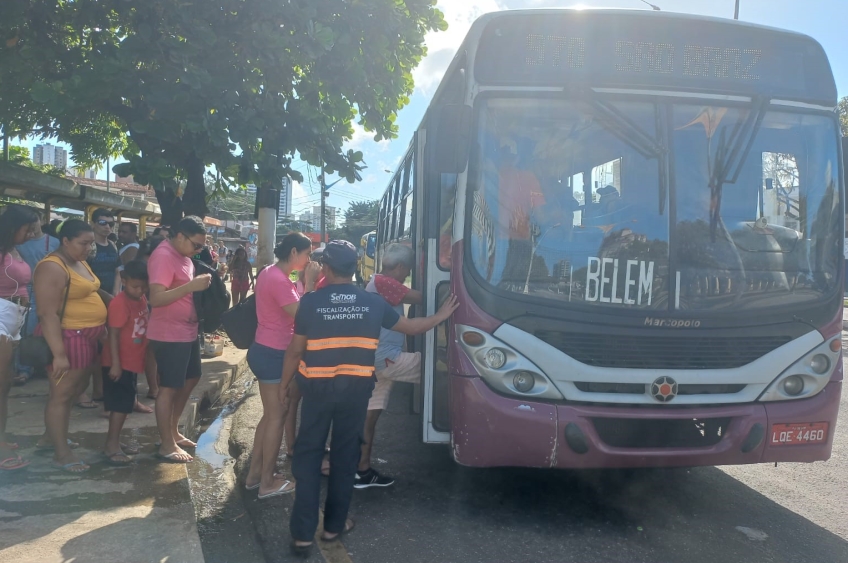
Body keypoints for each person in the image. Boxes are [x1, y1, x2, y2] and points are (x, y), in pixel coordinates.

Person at [282, 240, 459, 555]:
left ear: (326, 268)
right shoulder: (373, 303)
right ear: (354, 269)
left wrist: (284, 386)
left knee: (307, 460)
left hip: (317, 394)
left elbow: (296, 350)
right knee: (344, 459)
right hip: (354, 394)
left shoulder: (310, 302)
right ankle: (334, 526)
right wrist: (442, 314)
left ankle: (302, 536)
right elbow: (414, 328)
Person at [244, 233, 319, 499]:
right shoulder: (277, 279)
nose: (309, 259)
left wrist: (301, 283)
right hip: (274, 353)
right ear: (294, 253)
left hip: (266, 349)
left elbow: (291, 303)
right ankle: (266, 483)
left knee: (270, 416)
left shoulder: (270, 272)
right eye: (307, 254)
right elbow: (303, 316)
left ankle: (255, 475)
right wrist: (309, 283)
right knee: (277, 417)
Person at [34, 219, 111, 473]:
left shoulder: (78, 261)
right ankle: (61, 454)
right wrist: (59, 354)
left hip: (88, 336)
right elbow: (47, 314)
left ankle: (50, 438)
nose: (89, 247)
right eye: (84, 243)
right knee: (62, 394)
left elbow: (91, 291)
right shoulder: (52, 267)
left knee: (76, 389)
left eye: (91, 243)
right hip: (68, 337)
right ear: (65, 241)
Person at [147, 216, 211, 463]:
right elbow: (156, 299)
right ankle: (166, 445)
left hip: (186, 331)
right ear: (180, 236)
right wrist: (191, 287)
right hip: (169, 333)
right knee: (169, 387)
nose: (198, 250)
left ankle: (172, 431)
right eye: (196, 245)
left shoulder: (184, 256)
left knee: (192, 377)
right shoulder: (163, 256)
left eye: (201, 248)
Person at [357, 243, 422, 488]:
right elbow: (425, 297)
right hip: (386, 358)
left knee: (369, 418)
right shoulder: (385, 282)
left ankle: (361, 471)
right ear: (400, 267)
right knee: (440, 370)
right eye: (406, 273)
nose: (406, 278)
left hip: (375, 359)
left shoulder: (376, 281)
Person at [0, 204, 40, 471]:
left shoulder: (13, 249)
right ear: (15, 226)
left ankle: (1, 436)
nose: (31, 233)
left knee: (5, 386)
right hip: (2, 313)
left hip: (16, 315)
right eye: (28, 228)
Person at [101, 260, 149, 465]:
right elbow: (112, 334)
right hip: (119, 363)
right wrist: (116, 363)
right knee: (119, 406)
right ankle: (111, 445)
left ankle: (116, 441)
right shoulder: (119, 303)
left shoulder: (141, 298)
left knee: (125, 404)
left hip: (132, 361)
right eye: (135, 286)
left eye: (143, 287)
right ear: (124, 280)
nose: (139, 291)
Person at [13, 216, 59, 386]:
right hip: (29, 290)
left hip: (51, 289)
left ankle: (44, 365)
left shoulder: (54, 242)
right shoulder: (19, 241)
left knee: (50, 328)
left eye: (35, 220)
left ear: (41, 220)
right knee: (29, 330)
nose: (32, 225)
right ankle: (24, 368)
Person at [83, 208, 118, 408]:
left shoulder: (112, 246)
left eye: (111, 223)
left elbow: (117, 272)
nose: (107, 227)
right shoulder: (89, 247)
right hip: (91, 301)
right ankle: (94, 390)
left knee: (105, 347)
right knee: (94, 348)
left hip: (109, 301)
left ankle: (100, 389)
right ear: (94, 223)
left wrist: (114, 296)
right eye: (103, 223)